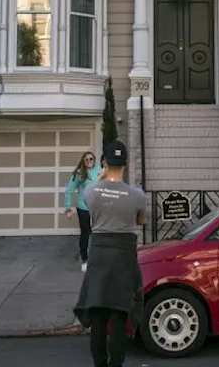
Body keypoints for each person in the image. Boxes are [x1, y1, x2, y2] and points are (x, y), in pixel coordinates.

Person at [73, 140, 146, 367]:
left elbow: (89, 205)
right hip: (124, 256)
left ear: (104, 162)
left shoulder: (91, 191)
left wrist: (102, 178)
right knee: (119, 315)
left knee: (98, 315)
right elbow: (140, 221)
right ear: (125, 164)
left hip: (99, 254)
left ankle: (100, 365)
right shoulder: (137, 195)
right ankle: (116, 364)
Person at [65, 150, 103, 272]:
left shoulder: (99, 171)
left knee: (98, 232)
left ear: (94, 160)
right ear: (83, 161)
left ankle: (97, 259)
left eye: (91, 159)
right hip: (83, 207)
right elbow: (69, 190)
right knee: (85, 233)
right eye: (86, 159)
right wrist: (68, 208)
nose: (89, 161)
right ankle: (85, 260)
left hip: (97, 207)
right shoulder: (79, 173)